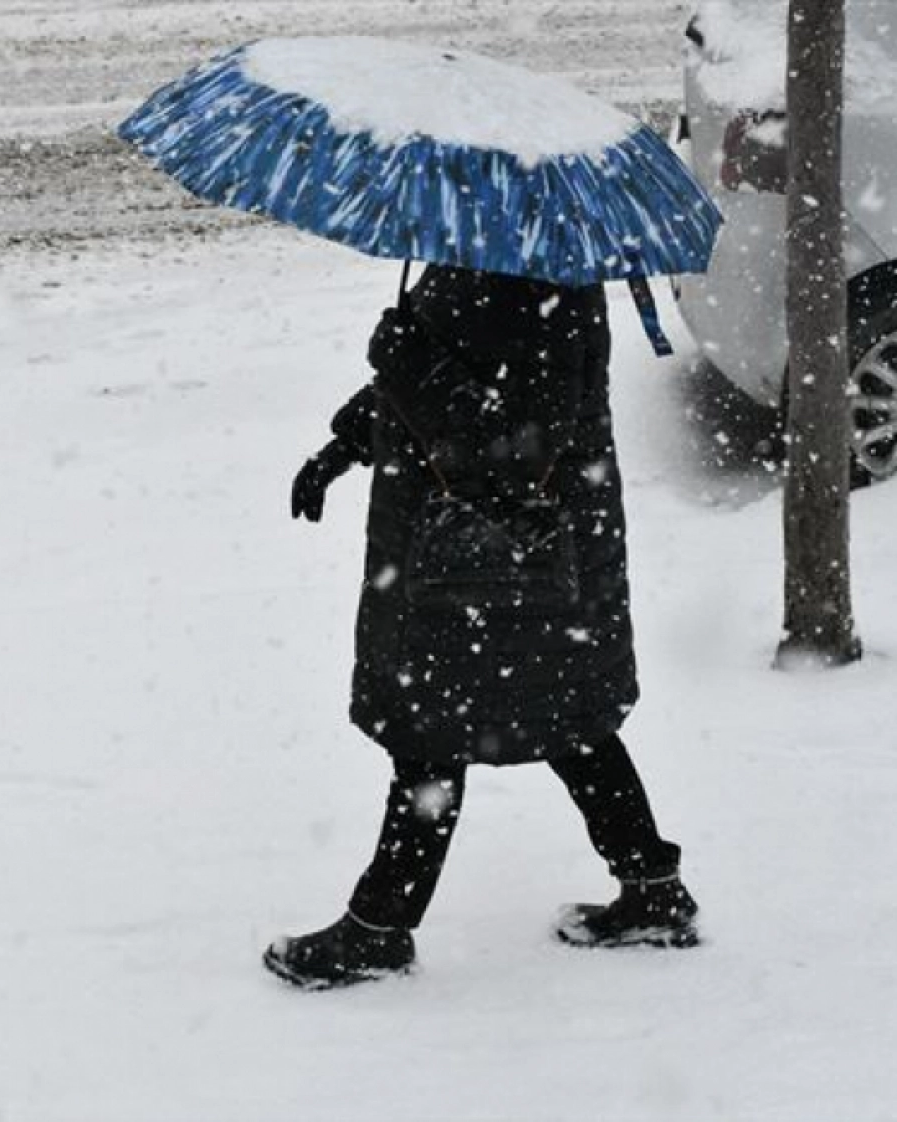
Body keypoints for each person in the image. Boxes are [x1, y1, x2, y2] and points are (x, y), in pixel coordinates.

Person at [264, 264, 699, 991]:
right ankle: (653, 889)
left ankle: (378, 930)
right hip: (496, 560)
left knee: (435, 736)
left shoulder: (530, 277)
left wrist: (403, 357)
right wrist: (343, 446)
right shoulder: (499, 255)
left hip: (495, 563)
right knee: (570, 722)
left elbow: (509, 439)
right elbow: (450, 379)